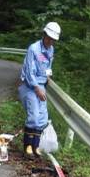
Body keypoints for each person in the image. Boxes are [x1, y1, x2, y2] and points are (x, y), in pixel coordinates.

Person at [18, 22, 61, 158]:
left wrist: (48, 76)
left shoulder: (51, 50)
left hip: (41, 85)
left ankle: (36, 147)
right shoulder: (34, 49)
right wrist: (37, 88)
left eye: (53, 39)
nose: (50, 41)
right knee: (34, 117)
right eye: (49, 38)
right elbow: (29, 72)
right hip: (30, 86)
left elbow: (48, 66)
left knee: (42, 118)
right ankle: (27, 147)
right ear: (44, 34)